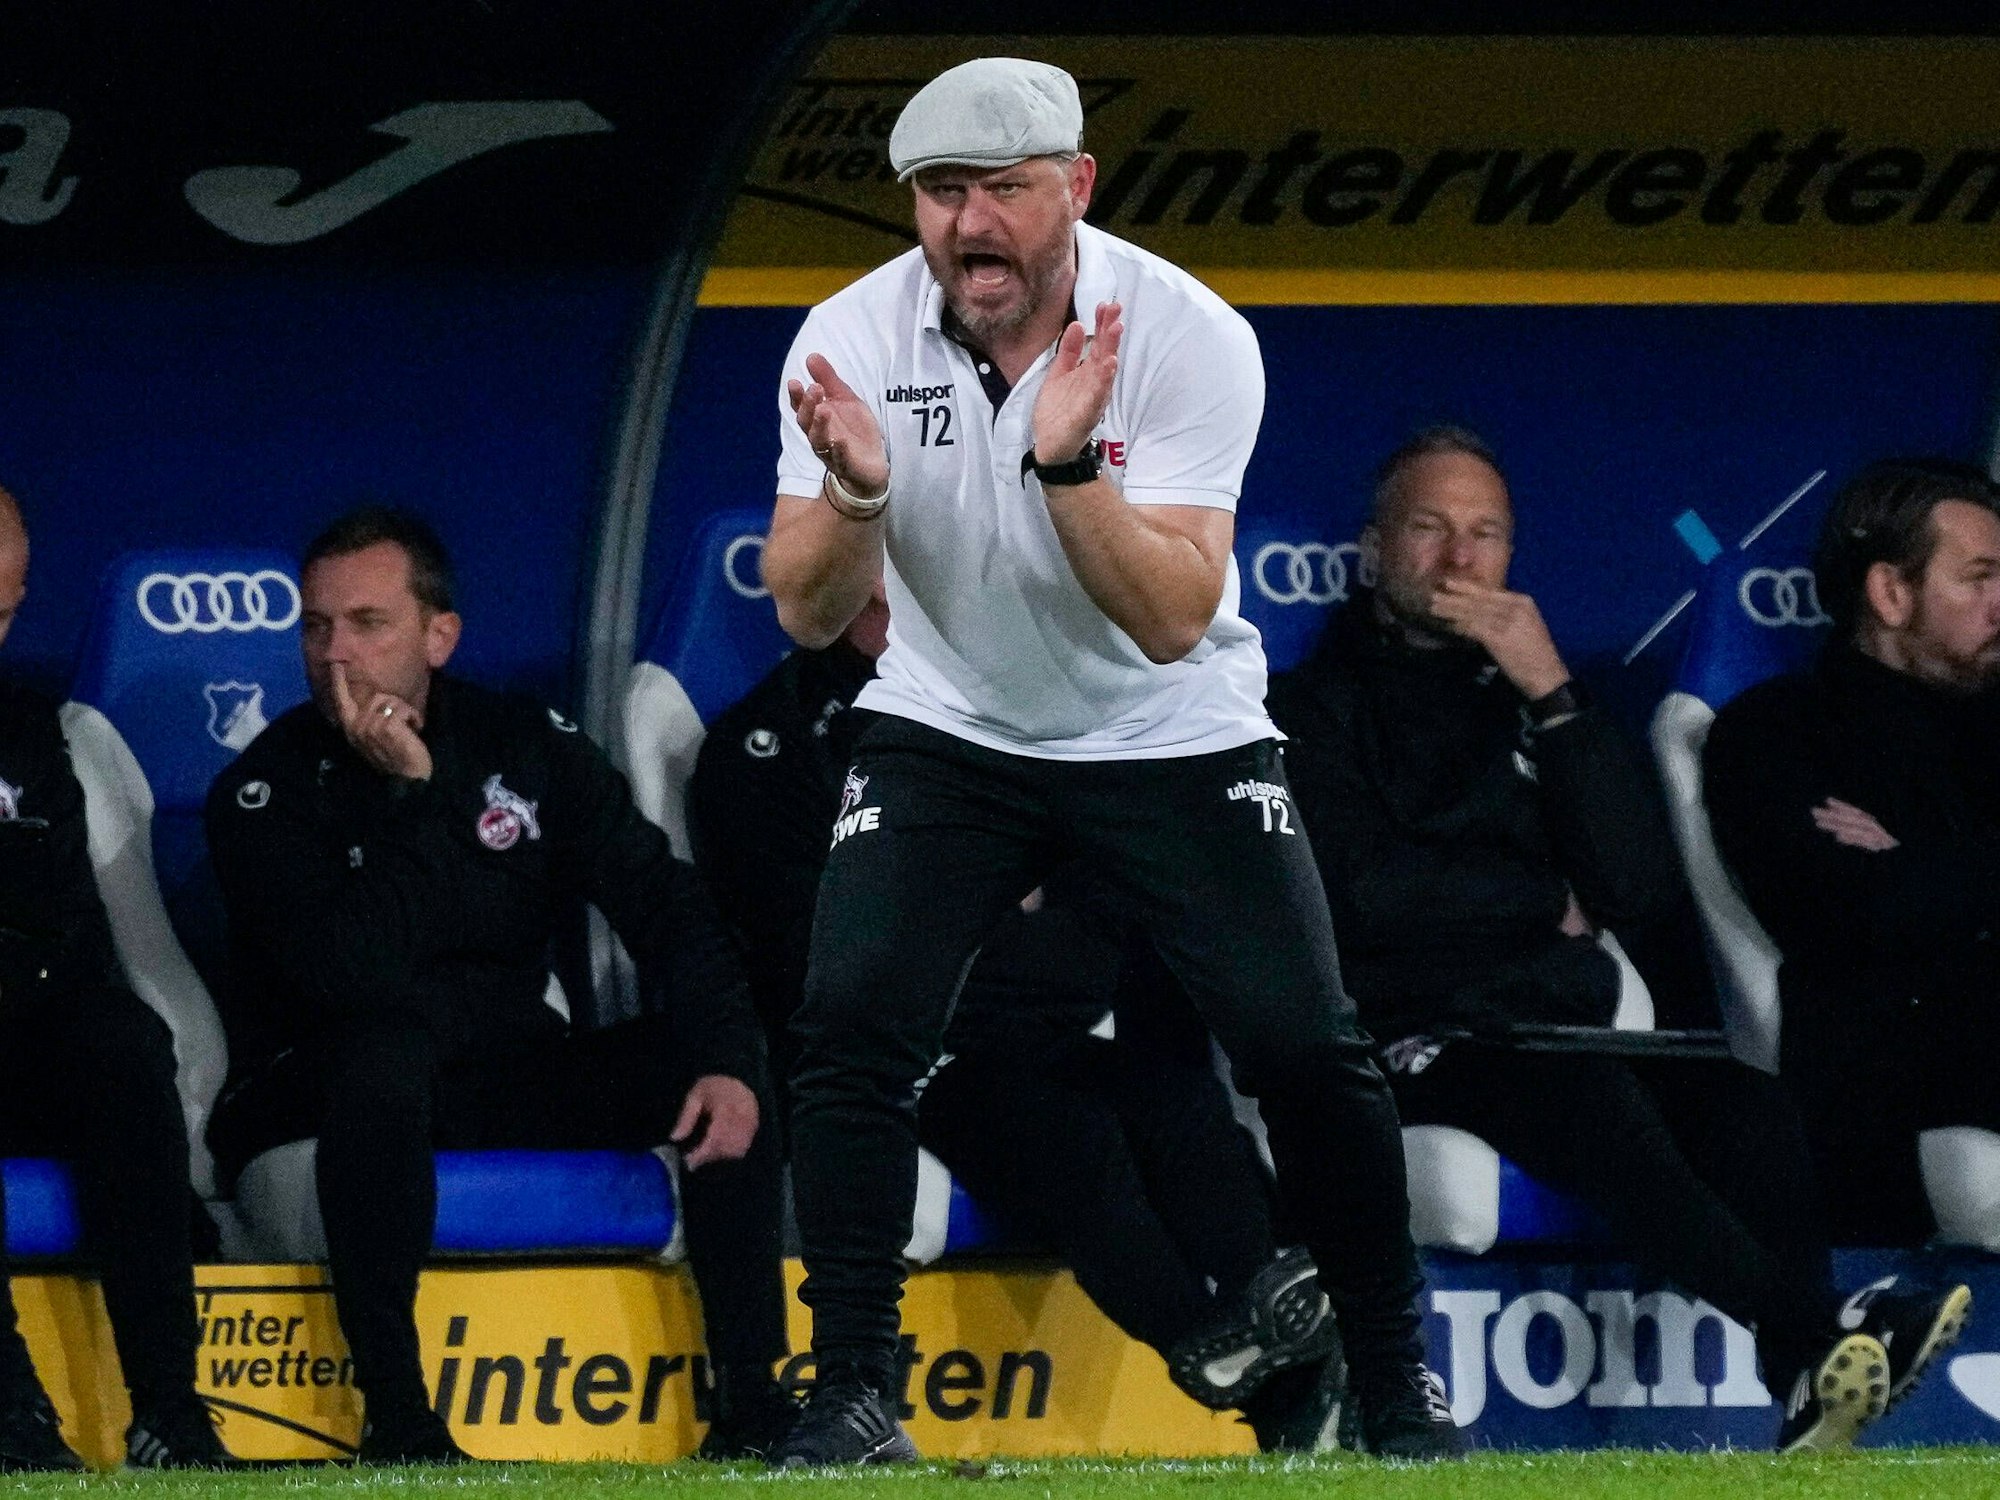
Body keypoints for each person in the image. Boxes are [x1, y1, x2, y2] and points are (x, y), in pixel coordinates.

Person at [760, 56, 1453, 1466]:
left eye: (1003, 190)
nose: (970, 225)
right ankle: (848, 1394)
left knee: (1308, 1052)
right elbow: (809, 608)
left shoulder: (1189, 335)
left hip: (1169, 727)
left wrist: (1070, 470)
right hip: (953, 722)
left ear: (1075, 187)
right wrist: (854, 491)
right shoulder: (848, 335)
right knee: (848, 1029)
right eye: (941, 195)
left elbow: (1170, 617)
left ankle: (1393, 1383)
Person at [1267, 427, 1970, 1453]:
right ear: (1372, 552)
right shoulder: (1304, 709)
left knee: (1746, 1103)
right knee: (1578, 1093)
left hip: (1553, 1023)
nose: (1460, 559)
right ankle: (1811, 1340)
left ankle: (1801, 1385)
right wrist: (1530, 899)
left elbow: (1632, 888)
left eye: (1485, 534)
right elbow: (1358, 898)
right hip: (1408, 1035)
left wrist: (1552, 694)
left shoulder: (1530, 700)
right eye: (1428, 529)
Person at [686, 596, 1347, 1453]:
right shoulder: (763, 750)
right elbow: (818, 967)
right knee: (1066, 1133)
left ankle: (1280, 1341)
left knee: (1173, 1096)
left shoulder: (1024, 714)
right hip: (892, 1066)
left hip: (1033, 1032)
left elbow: (1099, 923)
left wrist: (989, 931)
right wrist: (1007, 928)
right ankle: (1224, 1348)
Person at [205, 507, 795, 1463]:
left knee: (716, 1051)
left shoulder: (522, 744)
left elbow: (668, 907)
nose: (333, 653)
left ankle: (754, 1405)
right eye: (315, 627)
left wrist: (728, 1059)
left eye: (366, 622)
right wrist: (410, 796)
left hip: (499, 1068)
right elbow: (346, 976)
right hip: (322, 1079)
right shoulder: (265, 791)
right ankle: (399, 1418)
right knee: (382, 1051)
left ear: (440, 636)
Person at [0, 487, 239, 1470]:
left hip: (24, 1032)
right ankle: (13, 1416)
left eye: (4, 606)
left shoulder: (33, 732)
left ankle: (169, 1415)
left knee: (123, 1043)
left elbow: (65, 925)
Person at [1706, 457, 2000, 1243]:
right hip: (1881, 1089)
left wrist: (1929, 864)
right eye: (1978, 579)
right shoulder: (1776, 733)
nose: (1999, 603)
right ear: (1890, 593)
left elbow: (1920, 893)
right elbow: (1864, 914)